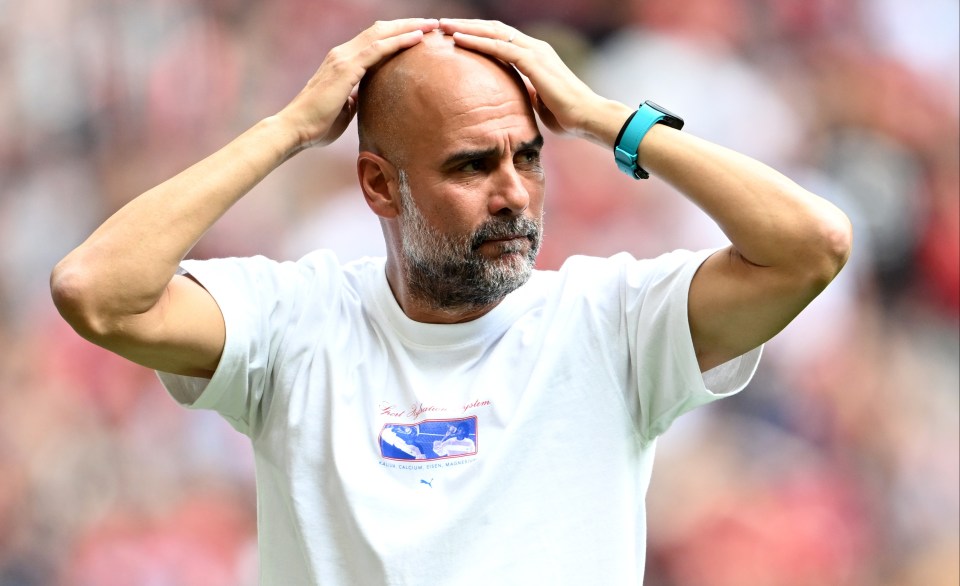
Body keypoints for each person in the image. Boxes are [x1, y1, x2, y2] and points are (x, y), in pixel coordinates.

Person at [50, 17, 852, 584]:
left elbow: (812, 245)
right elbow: (98, 293)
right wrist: (290, 129)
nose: (514, 195)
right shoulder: (292, 319)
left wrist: (608, 119)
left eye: (530, 158)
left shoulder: (612, 322)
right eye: (472, 166)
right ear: (377, 185)